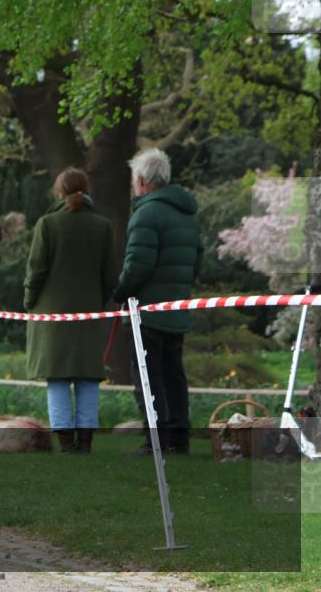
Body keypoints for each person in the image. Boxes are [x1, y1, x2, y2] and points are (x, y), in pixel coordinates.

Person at [112, 149, 202, 455]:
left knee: (148, 378)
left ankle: (156, 440)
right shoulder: (187, 214)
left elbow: (137, 264)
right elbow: (196, 262)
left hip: (148, 312)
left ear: (140, 180)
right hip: (177, 308)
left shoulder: (146, 214)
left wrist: (119, 292)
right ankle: (179, 439)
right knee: (174, 375)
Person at [24, 168, 117, 454]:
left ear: (59, 191)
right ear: (86, 190)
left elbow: (36, 270)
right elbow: (110, 276)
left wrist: (29, 301)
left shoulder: (47, 224)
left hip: (52, 315)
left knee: (58, 377)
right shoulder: (103, 226)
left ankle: (65, 443)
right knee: (88, 376)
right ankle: (86, 442)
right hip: (90, 314)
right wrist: (99, 303)